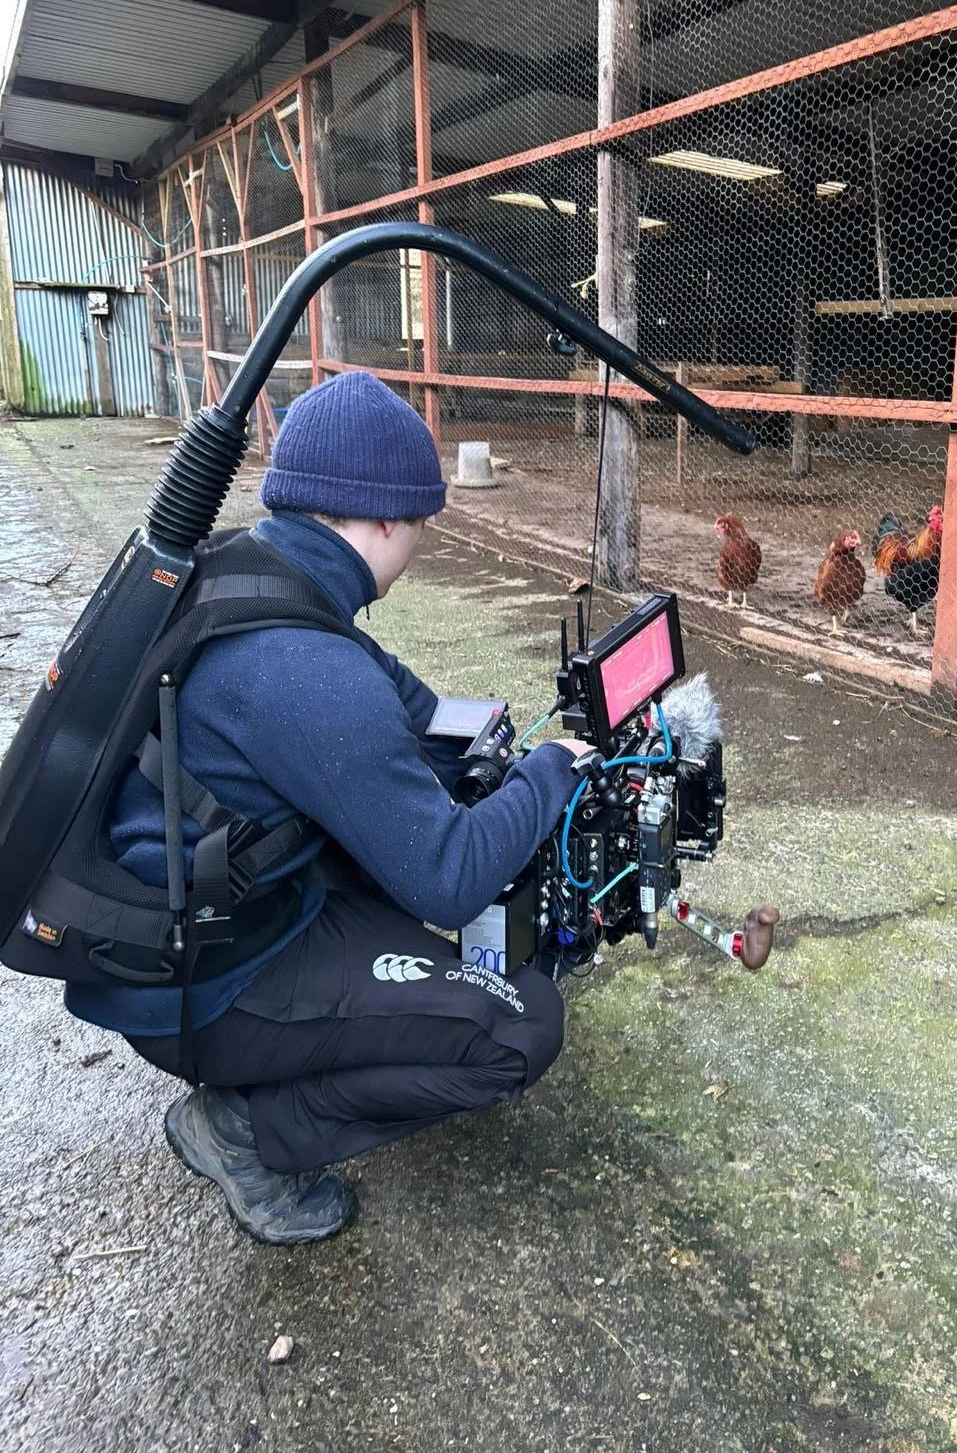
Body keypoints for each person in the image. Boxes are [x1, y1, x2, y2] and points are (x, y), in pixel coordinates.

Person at [65, 371, 596, 1245]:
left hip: (179, 922)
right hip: (203, 985)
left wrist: (486, 740)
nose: (418, 544)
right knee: (521, 1022)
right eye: (420, 524)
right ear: (383, 519)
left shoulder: (251, 569)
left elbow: (406, 711)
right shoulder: (306, 670)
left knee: (409, 840)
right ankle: (244, 1134)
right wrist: (546, 774)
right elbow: (449, 881)